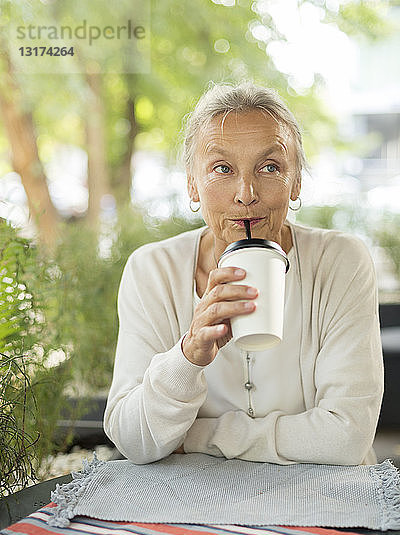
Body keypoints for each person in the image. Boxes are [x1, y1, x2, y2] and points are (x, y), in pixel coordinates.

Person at [104, 81, 384, 466]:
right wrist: (188, 356)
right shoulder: (151, 270)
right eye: (222, 169)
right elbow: (134, 441)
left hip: (328, 500)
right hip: (195, 504)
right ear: (193, 184)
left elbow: (347, 438)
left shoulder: (340, 260)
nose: (246, 192)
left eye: (270, 167)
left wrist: (199, 436)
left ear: (296, 181)